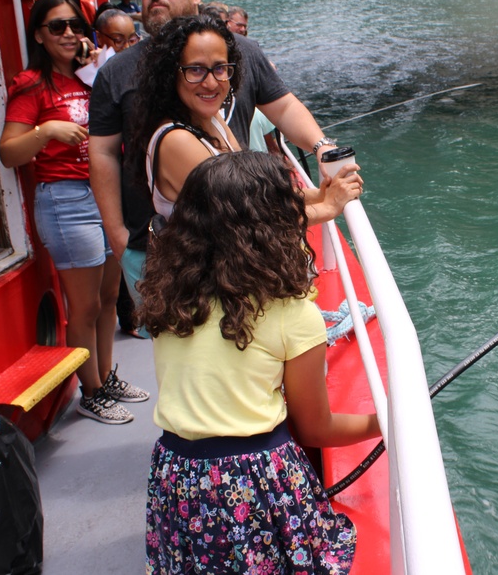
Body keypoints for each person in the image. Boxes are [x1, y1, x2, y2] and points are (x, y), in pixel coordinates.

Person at [137, 151, 380, 573]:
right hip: (253, 483)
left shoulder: (170, 298)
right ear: (276, 228)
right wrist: (386, 422)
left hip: (176, 474)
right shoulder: (292, 314)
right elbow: (314, 428)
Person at [89, 0, 344, 309]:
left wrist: (322, 151)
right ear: (171, 75)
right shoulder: (127, 85)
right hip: (174, 250)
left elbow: (283, 108)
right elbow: (102, 153)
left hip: (224, 256)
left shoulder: (218, 108)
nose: (210, 82)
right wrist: (117, 236)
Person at [0, 0, 148, 425]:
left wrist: (97, 61)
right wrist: (46, 130)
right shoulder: (31, 85)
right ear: (39, 36)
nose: (69, 34)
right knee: (82, 306)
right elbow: (9, 152)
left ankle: (104, 375)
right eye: (57, 27)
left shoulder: (91, 77)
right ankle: (92, 391)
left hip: (105, 194)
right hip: (66, 201)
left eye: (76, 26)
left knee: (106, 298)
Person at [130, 15, 361, 222]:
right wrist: (328, 206)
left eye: (219, 68)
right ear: (171, 75)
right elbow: (253, 218)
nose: (211, 83)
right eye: (196, 70)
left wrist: (320, 194)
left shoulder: (211, 121)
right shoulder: (178, 141)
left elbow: (252, 193)